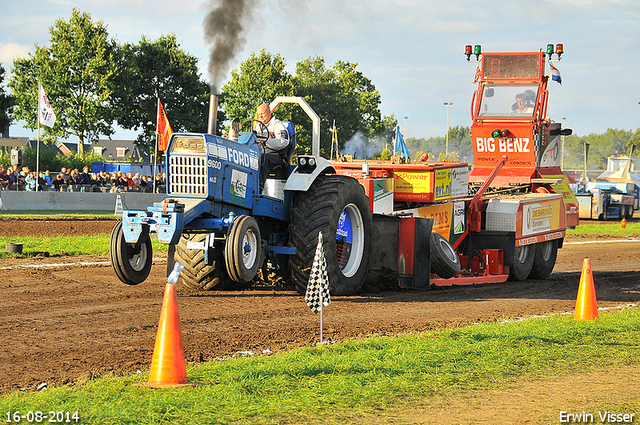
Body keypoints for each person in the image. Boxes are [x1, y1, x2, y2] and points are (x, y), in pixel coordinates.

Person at [254, 103, 290, 186]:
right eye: (259, 114)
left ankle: (258, 187)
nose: (261, 116)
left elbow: (283, 141)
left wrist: (266, 142)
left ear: (269, 112)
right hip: (260, 152)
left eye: (263, 114)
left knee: (263, 158)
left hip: (276, 155)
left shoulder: (277, 125)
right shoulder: (258, 127)